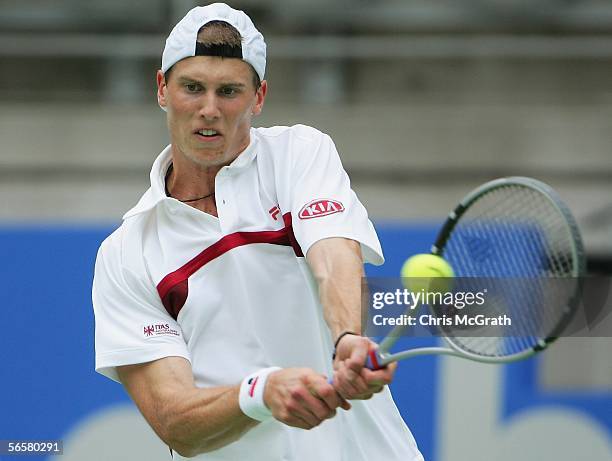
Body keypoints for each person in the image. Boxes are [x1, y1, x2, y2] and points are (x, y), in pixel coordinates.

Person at [92, 3, 423, 460]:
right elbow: (175, 422)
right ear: (162, 89)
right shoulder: (127, 253)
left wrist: (347, 338)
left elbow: (332, 250)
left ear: (259, 97)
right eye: (192, 88)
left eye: (229, 91)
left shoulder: (300, 153)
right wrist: (260, 394)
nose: (209, 109)